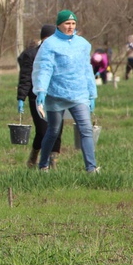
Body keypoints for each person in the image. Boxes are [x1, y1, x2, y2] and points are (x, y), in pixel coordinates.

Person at [32, 10, 99, 173]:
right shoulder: (50, 44)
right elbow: (45, 68)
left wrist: (92, 93)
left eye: (73, 23)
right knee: (53, 130)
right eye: (67, 23)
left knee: (86, 128)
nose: (70, 27)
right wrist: (41, 90)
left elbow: (86, 69)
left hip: (79, 94)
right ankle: (43, 165)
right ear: (59, 25)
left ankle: (91, 168)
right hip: (56, 94)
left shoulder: (82, 44)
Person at [16, 24, 61, 168]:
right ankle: (35, 154)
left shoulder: (60, 54)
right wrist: (21, 98)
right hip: (37, 98)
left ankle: (53, 162)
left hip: (57, 97)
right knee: (43, 130)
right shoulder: (31, 55)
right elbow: (25, 79)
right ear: (44, 38)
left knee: (57, 129)